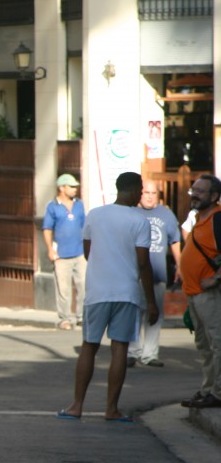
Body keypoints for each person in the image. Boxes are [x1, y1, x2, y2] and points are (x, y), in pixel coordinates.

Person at [58, 172, 156, 422]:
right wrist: (151, 301)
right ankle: (111, 409)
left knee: (89, 346)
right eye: (140, 190)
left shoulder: (95, 215)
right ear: (133, 190)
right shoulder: (140, 221)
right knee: (119, 348)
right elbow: (143, 263)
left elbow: (88, 253)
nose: (141, 195)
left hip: (97, 292)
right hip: (127, 293)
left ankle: (76, 406)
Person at [178, 174, 221, 409]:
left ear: (214, 196)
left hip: (210, 295)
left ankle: (218, 393)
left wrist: (216, 278)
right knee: (205, 346)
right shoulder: (198, 218)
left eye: (200, 191)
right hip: (195, 293)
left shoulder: (218, 219)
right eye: (193, 190)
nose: (194, 195)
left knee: (217, 344)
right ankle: (208, 390)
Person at [127, 180, 181, 368]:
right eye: (146, 193)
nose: (149, 197)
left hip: (157, 273)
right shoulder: (131, 213)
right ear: (139, 194)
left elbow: (175, 241)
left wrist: (180, 264)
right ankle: (132, 352)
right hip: (135, 275)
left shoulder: (166, 214)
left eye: (153, 193)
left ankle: (149, 354)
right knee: (134, 313)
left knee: (154, 314)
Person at [42, 173, 86, 330]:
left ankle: (81, 316)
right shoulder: (53, 206)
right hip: (62, 254)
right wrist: (50, 249)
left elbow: (84, 226)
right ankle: (64, 318)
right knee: (63, 289)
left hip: (80, 252)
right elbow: (47, 229)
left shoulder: (79, 204)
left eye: (75, 187)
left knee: (83, 285)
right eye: (71, 186)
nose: (75, 189)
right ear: (62, 188)